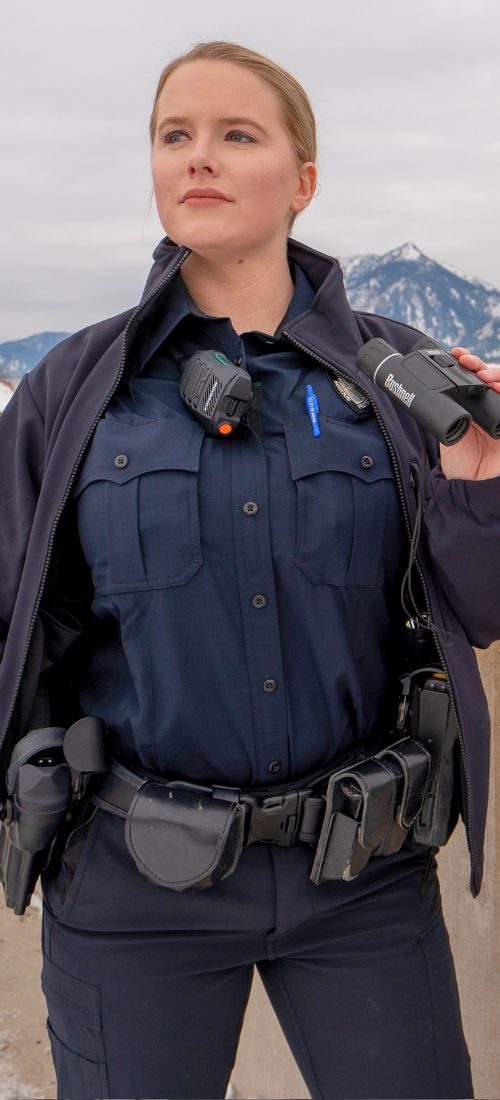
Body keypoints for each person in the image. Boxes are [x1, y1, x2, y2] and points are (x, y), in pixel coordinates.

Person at [1, 38, 499, 1100]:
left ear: (301, 181)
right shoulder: (73, 388)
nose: (199, 157)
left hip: (361, 879)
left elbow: (477, 608)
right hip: (136, 889)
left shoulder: (401, 374)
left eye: (236, 135)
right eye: (174, 135)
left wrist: (476, 480)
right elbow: (11, 611)